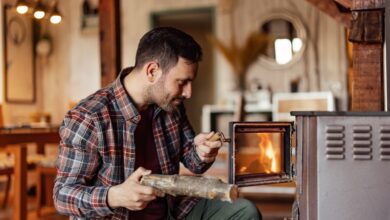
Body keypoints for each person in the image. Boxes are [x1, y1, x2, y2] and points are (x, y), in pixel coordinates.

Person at [54, 27, 261, 220]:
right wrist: (114, 196)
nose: (188, 93)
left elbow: (193, 162)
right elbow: (63, 195)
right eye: (182, 82)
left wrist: (201, 152)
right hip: (116, 216)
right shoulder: (89, 116)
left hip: (172, 210)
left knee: (245, 211)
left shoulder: (171, 106)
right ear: (152, 71)